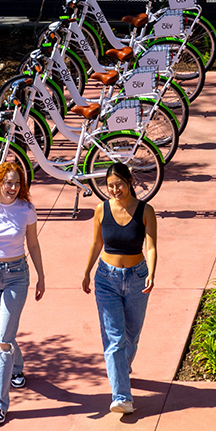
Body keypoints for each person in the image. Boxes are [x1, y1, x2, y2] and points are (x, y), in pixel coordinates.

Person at [81, 161, 158, 415]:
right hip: (106, 278)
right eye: (110, 186)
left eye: (119, 185)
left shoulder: (146, 211)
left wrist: (152, 274)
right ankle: (122, 396)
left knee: (131, 335)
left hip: (137, 277)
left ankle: (121, 371)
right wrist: (86, 272)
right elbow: (95, 244)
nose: (114, 190)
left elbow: (151, 247)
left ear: (130, 182)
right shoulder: (101, 210)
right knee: (114, 339)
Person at [0, 160, 45, 427]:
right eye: (8, 182)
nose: (13, 187)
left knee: (2, 341)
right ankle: (16, 368)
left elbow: (34, 244)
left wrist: (41, 276)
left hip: (17, 275)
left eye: (17, 183)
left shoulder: (26, 209)